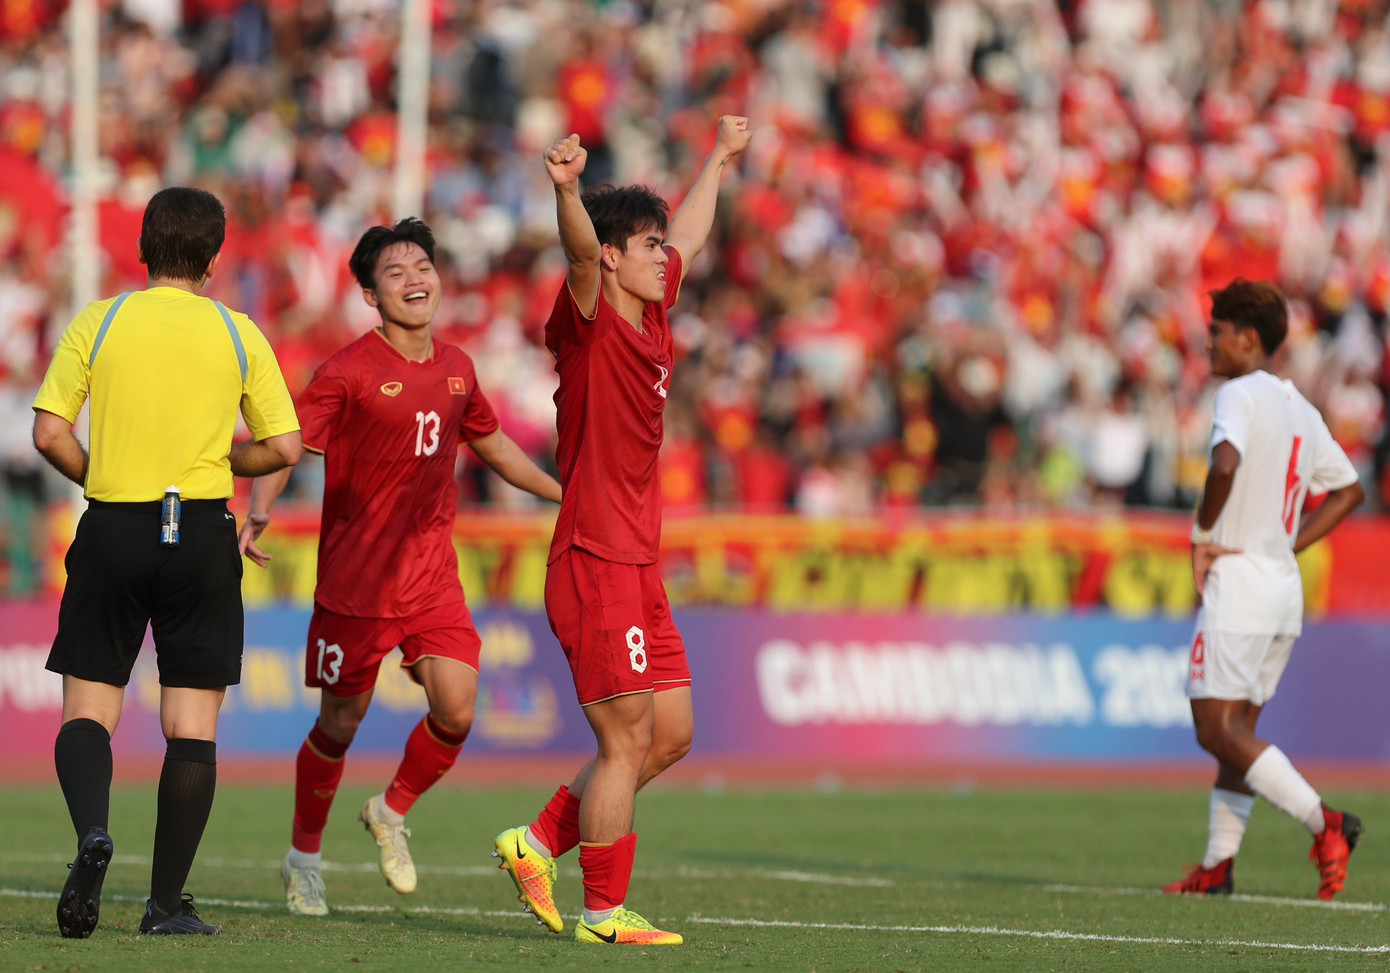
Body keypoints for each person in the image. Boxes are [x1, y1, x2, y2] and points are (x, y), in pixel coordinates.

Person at [239, 217, 562, 917]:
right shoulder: (348, 371)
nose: (415, 279)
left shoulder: (458, 368)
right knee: (338, 726)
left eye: (422, 266)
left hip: (430, 576)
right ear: (369, 295)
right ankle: (303, 861)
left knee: (458, 706)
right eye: (396, 272)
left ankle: (390, 810)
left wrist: (564, 494)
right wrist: (258, 507)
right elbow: (286, 443)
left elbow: (495, 447)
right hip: (356, 583)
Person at [491, 116, 751, 946]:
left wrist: (719, 159)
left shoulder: (655, 309)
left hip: (638, 563)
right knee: (626, 736)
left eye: (660, 245)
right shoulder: (592, 315)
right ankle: (603, 913)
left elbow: (695, 238)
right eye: (647, 245)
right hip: (593, 556)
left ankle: (536, 842)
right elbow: (577, 252)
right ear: (612, 257)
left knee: (669, 735)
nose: (664, 255)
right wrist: (566, 190)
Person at [32, 186, 302, 938]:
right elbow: (284, 446)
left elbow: (49, 432)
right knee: (191, 727)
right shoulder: (238, 330)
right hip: (202, 529)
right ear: (214, 260)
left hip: (115, 522)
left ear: (143, 250)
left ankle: (93, 832)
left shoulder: (102, 319)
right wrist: (220, 459)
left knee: (88, 711)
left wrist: (105, 477)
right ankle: (164, 904)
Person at [1165, 278, 1365, 900]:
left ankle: (1326, 822)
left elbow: (1224, 465)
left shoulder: (1238, 394)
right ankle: (1218, 866)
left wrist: (1203, 534)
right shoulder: (1299, 406)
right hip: (1281, 589)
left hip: (1242, 583)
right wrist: (1290, 544)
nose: (1209, 345)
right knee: (1238, 731)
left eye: (1218, 333)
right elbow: (1350, 491)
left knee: (1213, 728)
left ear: (1249, 339)